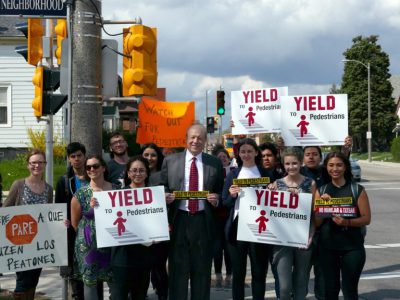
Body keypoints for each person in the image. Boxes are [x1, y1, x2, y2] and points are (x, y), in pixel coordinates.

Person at [159, 123, 224, 300]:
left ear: (205, 141)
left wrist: (216, 198)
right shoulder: (170, 161)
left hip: (203, 221)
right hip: (179, 219)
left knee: (202, 270)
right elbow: (162, 186)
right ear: (186, 139)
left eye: (200, 138)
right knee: (178, 270)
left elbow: (220, 191)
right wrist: (165, 196)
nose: (196, 141)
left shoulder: (214, 163)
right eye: (192, 137)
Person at [223, 138, 275, 300]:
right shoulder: (233, 174)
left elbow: (274, 202)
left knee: (259, 272)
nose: (246, 154)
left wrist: (273, 190)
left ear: (256, 152)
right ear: (238, 153)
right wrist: (232, 195)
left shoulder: (265, 173)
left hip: (259, 226)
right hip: (237, 226)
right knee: (238, 273)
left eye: (249, 151)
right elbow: (224, 202)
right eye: (243, 151)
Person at [315, 151, 371, 300]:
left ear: (345, 167)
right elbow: (317, 222)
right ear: (326, 167)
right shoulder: (321, 191)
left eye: (339, 165)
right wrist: (323, 207)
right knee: (330, 290)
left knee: (350, 290)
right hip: (327, 248)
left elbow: (366, 219)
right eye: (331, 165)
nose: (335, 169)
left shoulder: (357, 189)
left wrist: (348, 222)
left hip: (352, 248)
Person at [3, 149, 53, 299]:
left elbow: (48, 215)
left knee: (32, 282)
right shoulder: (18, 185)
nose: (36, 165)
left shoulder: (48, 189)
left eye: (40, 162)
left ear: (45, 164)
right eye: (33, 162)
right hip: (20, 244)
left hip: (39, 245)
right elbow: (5, 212)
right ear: (28, 165)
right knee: (22, 284)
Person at [270, 147, 316, 300]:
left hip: (303, 239)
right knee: (284, 288)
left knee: (301, 285)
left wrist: (310, 235)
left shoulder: (311, 184)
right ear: (283, 165)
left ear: (301, 163)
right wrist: (269, 194)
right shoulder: (277, 184)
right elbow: (270, 212)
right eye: (288, 164)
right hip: (282, 240)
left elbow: (314, 213)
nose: (291, 167)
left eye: (294, 163)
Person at [111, 156, 156, 300]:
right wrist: (97, 205)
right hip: (121, 257)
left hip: (143, 257)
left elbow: (158, 222)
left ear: (147, 173)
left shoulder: (155, 196)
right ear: (128, 173)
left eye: (142, 170)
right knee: (118, 296)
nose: (138, 173)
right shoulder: (117, 195)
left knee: (139, 296)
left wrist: (160, 234)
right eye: (134, 170)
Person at [71, 155, 114, 300]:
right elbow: (75, 222)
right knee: (90, 284)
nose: (91, 169)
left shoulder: (117, 189)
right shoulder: (81, 193)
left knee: (116, 281)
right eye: (88, 167)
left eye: (95, 166)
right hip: (88, 245)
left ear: (103, 168)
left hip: (113, 242)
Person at [55, 142, 87, 300]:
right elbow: (58, 207)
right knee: (75, 274)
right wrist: (62, 223)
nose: (76, 159)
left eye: (79, 155)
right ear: (68, 159)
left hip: (92, 232)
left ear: (84, 156)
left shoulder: (94, 175)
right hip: (72, 234)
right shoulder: (64, 181)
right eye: (73, 156)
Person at [140, 144, 168, 300]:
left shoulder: (165, 176)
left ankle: (163, 293)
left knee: (159, 265)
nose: (149, 158)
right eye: (146, 155)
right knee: (143, 266)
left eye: (153, 155)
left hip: (159, 227)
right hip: (140, 228)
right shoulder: (134, 175)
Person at [211, 147, 233, 289]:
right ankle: (218, 275)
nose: (222, 158)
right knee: (217, 248)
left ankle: (229, 276)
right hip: (216, 216)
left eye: (224, 156)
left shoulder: (235, 172)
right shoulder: (212, 173)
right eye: (219, 157)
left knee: (229, 248)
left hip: (230, 214)